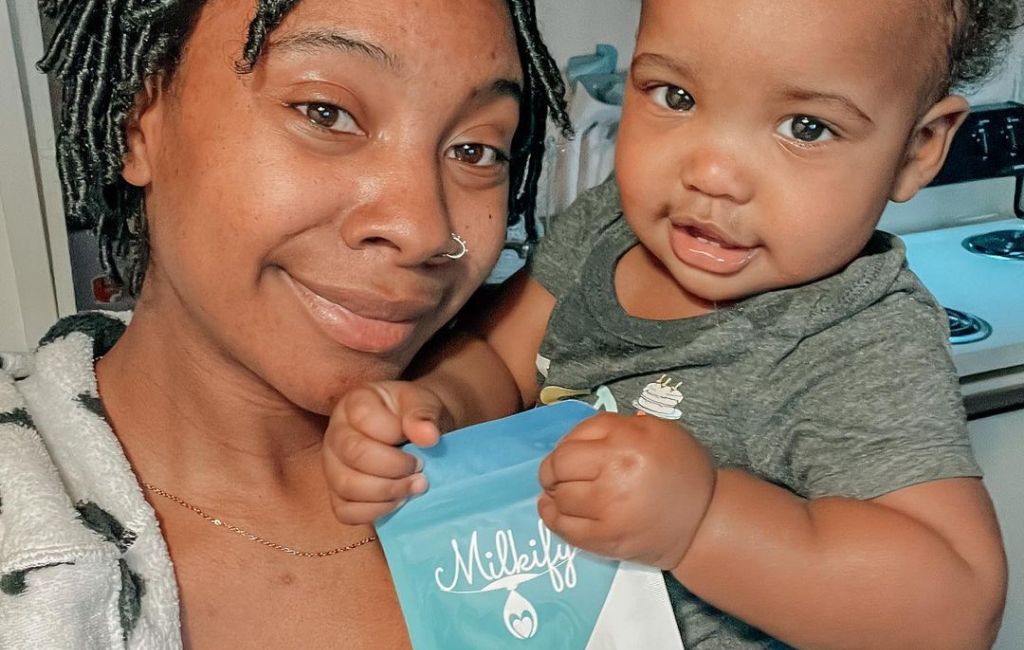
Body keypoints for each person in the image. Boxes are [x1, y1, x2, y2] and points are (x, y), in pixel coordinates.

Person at [324, 0, 1020, 647]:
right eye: (676, 97)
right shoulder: (609, 226)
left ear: (917, 150)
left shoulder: (861, 340)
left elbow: (954, 605)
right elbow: (502, 360)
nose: (712, 173)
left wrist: (705, 521)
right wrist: (428, 409)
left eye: (805, 127)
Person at [0, 0, 570, 647]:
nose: (423, 231)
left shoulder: (558, 455)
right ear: (140, 122)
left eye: (476, 149)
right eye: (326, 112)